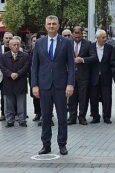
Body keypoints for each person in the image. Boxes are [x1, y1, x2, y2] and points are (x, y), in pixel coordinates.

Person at [31, 15, 75, 155]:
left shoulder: (67, 42)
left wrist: (70, 84)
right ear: (45, 26)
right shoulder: (39, 43)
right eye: (49, 24)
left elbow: (71, 65)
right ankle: (46, 145)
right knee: (45, 117)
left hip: (61, 86)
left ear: (58, 25)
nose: (51, 26)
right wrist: (34, 85)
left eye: (54, 23)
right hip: (44, 86)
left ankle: (62, 144)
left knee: (62, 117)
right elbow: (34, 66)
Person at [68, 26, 96, 125]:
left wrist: (83, 60)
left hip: (84, 75)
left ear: (81, 33)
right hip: (71, 75)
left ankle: (82, 117)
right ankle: (72, 117)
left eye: (78, 33)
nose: (76, 36)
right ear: (72, 34)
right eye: (75, 33)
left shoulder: (88, 44)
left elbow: (94, 57)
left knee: (83, 97)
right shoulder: (68, 43)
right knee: (71, 97)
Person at [0, 38, 30, 127]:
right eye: (14, 45)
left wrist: (17, 74)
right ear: (9, 46)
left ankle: (22, 120)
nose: (16, 46)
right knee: (8, 103)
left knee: (21, 103)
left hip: (20, 82)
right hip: (8, 82)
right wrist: (10, 74)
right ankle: (9, 121)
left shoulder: (25, 55)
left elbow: (26, 66)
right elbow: (2, 67)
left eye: (18, 44)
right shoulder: (3, 56)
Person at [89, 29, 113, 124]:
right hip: (94, 77)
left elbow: (112, 61)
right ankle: (95, 117)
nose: (105, 39)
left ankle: (107, 117)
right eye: (103, 37)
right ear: (97, 38)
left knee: (107, 98)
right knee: (93, 98)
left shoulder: (109, 48)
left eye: (105, 37)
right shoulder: (90, 47)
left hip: (106, 77)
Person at [0, 32, 13, 121]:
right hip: (0, 75)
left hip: (11, 76)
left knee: (8, 96)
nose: (8, 40)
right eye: (6, 38)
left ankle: (7, 113)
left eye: (10, 38)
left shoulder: (16, 48)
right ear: (3, 39)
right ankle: (4, 113)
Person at [28, 34, 41, 122]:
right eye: (34, 41)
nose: (35, 43)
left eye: (37, 41)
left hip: (43, 77)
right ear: (31, 42)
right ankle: (37, 113)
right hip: (32, 77)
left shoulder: (43, 51)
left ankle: (47, 114)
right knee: (35, 97)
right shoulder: (28, 53)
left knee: (45, 97)